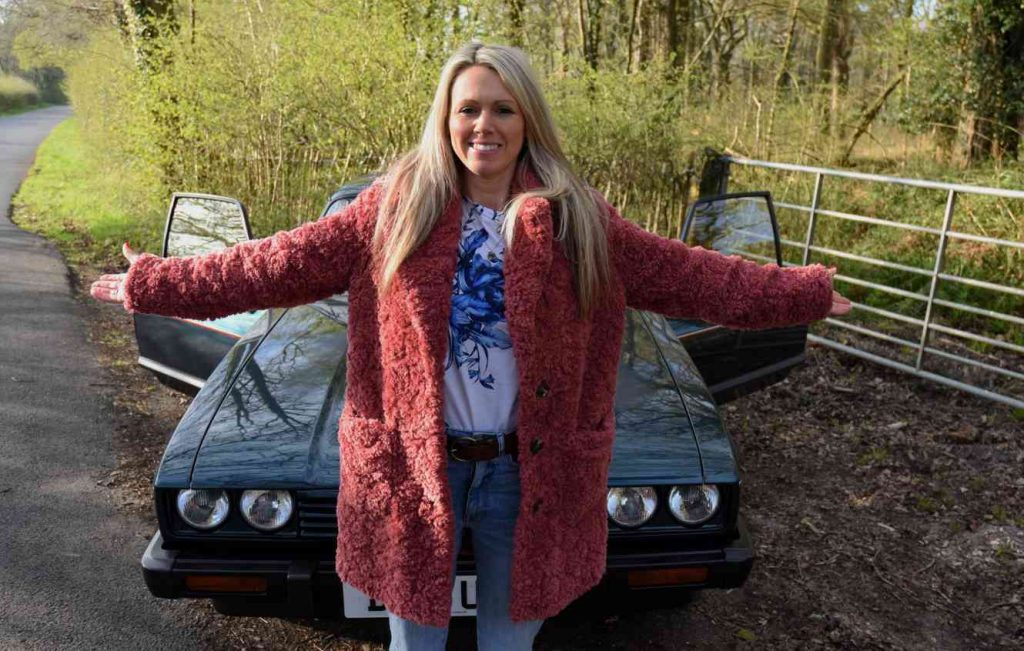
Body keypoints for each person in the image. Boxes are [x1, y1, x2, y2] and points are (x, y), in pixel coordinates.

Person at [91, 42, 852, 650]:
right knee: (413, 641)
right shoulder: (394, 210)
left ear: (527, 120)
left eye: (501, 109)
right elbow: (274, 263)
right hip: (414, 472)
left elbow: (690, 275)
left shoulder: (576, 219)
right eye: (468, 109)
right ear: (446, 119)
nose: (483, 126)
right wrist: (157, 282)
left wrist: (803, 293)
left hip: (529, 475)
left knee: (510, 642)